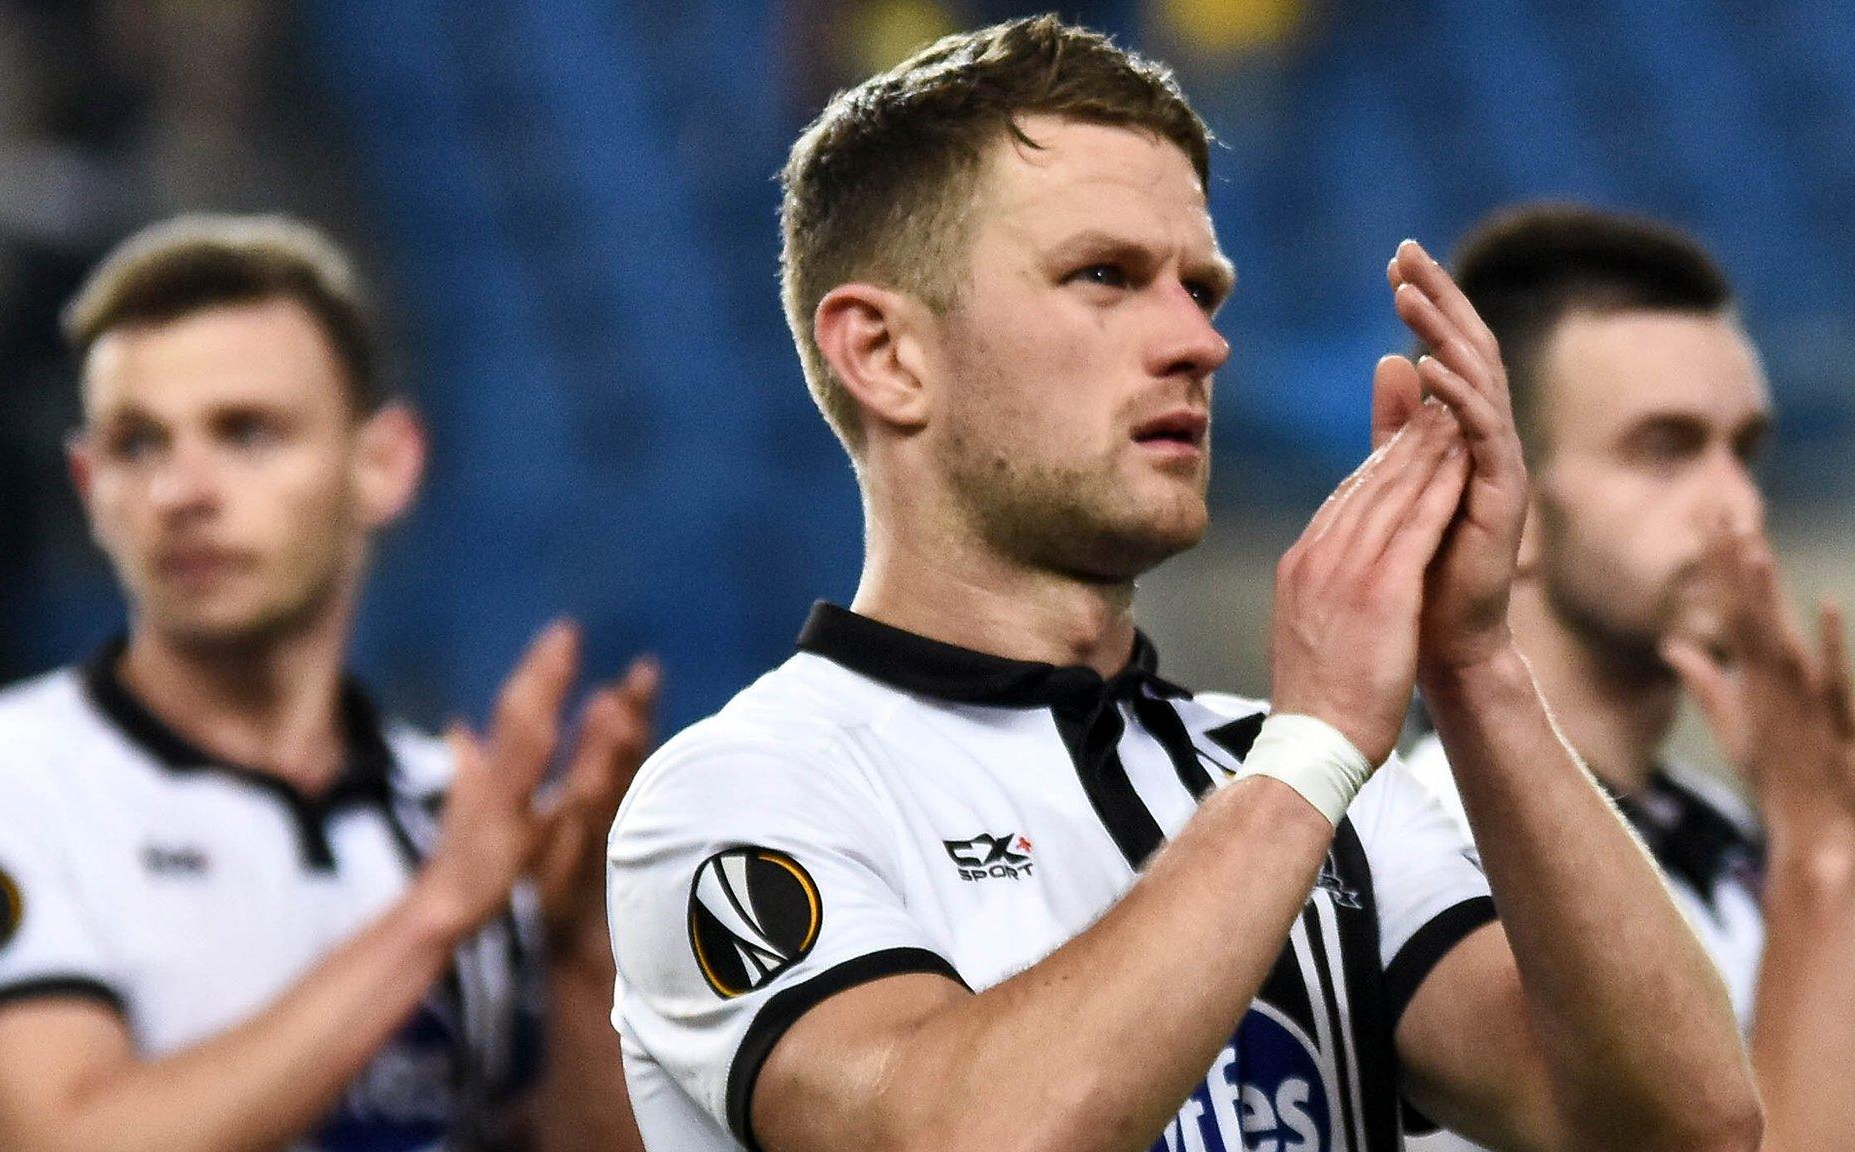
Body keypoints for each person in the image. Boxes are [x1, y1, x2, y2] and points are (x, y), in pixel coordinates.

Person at [607, 17, 1759, 1152]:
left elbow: (1684, 1126)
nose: (1197, 343)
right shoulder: (740, 796)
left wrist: (1474, 665)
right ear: (884, 355)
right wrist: (1306, 754)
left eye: (1199, 291)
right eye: (1105, 276)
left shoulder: (1326, 787)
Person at [0, 214, 654, 1152]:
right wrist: (434, 916)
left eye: (246, 433)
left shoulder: (461, 818)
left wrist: (578, 948)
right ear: (90, 489)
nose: (183, 491)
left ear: (384, 464)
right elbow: (54, 1140)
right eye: (137, 445)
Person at [1396, 202, 1855, 1152]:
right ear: (1496, 493)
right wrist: (1824, 856)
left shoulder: (1716, 833)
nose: (1737, 507)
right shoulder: (1433, 851)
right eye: (1665, 449)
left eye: (1746, 452)